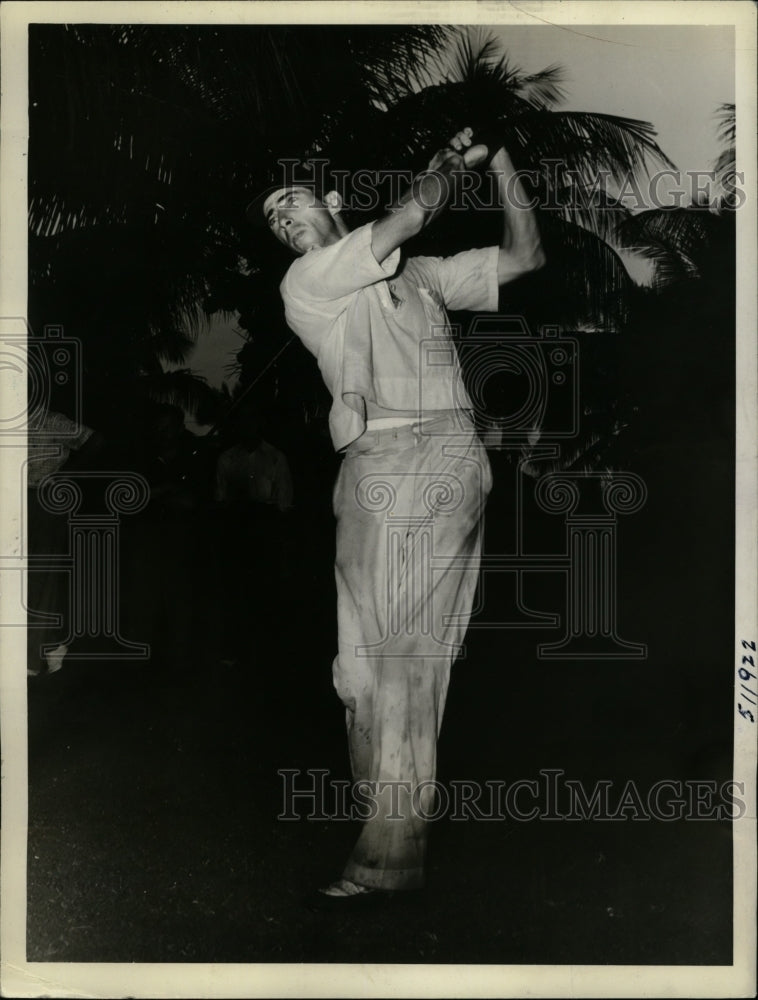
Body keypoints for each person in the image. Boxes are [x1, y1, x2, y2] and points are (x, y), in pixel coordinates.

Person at [248, 127, 544, 907]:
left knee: (408, 656)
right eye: (275, 218)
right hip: (371, 471)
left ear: (334, 203)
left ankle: (389, 852)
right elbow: (410, 215)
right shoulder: (307, 283)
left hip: (442, 457)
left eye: (296, 203)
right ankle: (390, 824)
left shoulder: (426, 279)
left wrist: (504, 163)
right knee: (361, 671)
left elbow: (523, 258)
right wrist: (447, 167)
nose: (286, 221)